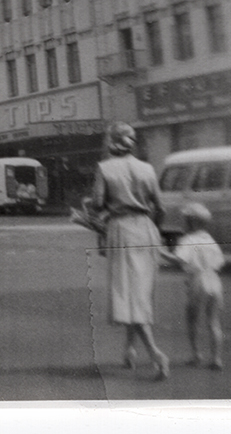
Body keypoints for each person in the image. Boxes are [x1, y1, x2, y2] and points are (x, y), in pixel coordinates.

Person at [90, 121, 169, 381]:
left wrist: (95, 211)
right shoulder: (147, 168)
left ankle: (156, 354)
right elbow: (161, 208)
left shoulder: (105, 168)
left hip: (121, 231)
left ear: (111, 141)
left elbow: (98, 203)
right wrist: (153, 230)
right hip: (147, 230)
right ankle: (130, 351)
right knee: (140, 292)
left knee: (128, 294)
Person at [162, 202, 225, 369]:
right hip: (214, 280)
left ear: (192, 222)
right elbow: (220, 262)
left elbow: (179, 259)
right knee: (213, 321)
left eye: (186, 220)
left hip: (198, 280)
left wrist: (160, 252)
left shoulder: (188, 240)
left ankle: (196, 354)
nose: (184, 223)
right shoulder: (210, 240)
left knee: (192, 320)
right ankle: (216, 358)